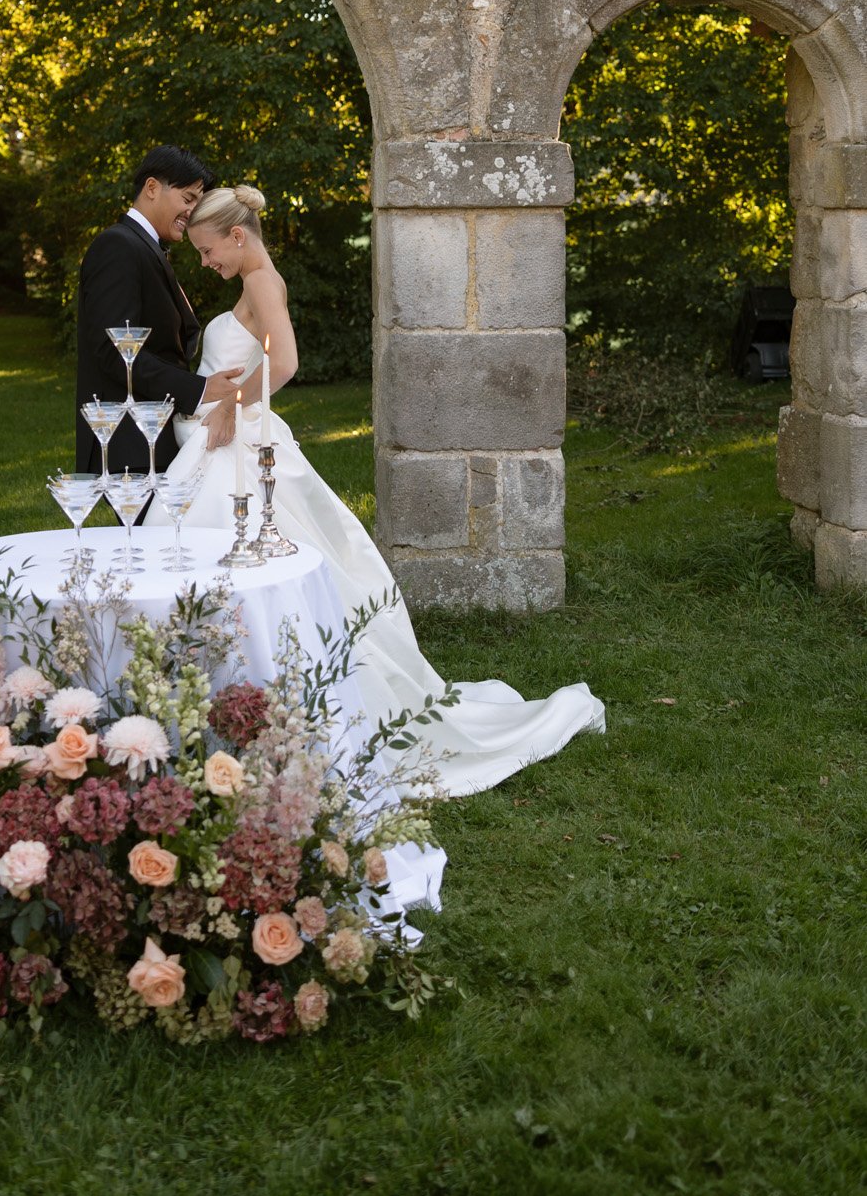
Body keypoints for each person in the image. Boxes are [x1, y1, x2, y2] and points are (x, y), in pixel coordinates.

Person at [141, 183, 607, 806]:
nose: (206, 264)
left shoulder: (261, 284)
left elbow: (283, 367)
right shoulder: (254, 283)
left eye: (207, 251)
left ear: (237, 235)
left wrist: (226, 404)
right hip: (222, 445)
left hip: (239, 442)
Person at [74, 146, 246, 477]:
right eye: (189, 198)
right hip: (129, 447)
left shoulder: (145, 248)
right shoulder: (118, 247)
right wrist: (200, 390)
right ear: (152, 188)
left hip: (153, 442)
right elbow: (116, 352)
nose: (193, 212)